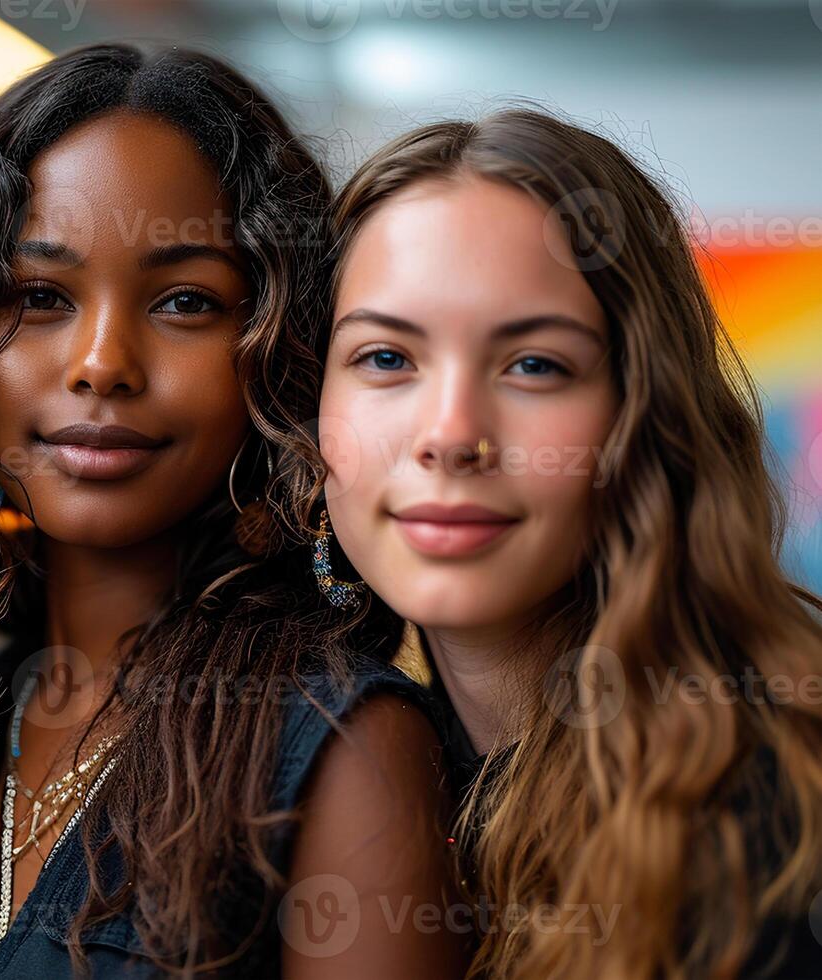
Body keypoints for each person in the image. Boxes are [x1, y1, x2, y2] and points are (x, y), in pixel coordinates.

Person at [0, 43, 469, 979]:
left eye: (185, 300)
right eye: (38, 295)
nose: (101, 362)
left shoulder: (342, 745)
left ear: (277, 348)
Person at [317, 107, 822, 979]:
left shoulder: (775, 811)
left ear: (644, 415)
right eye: (386, 358)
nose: (449, 434)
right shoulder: (354, 766)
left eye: (534, 365)